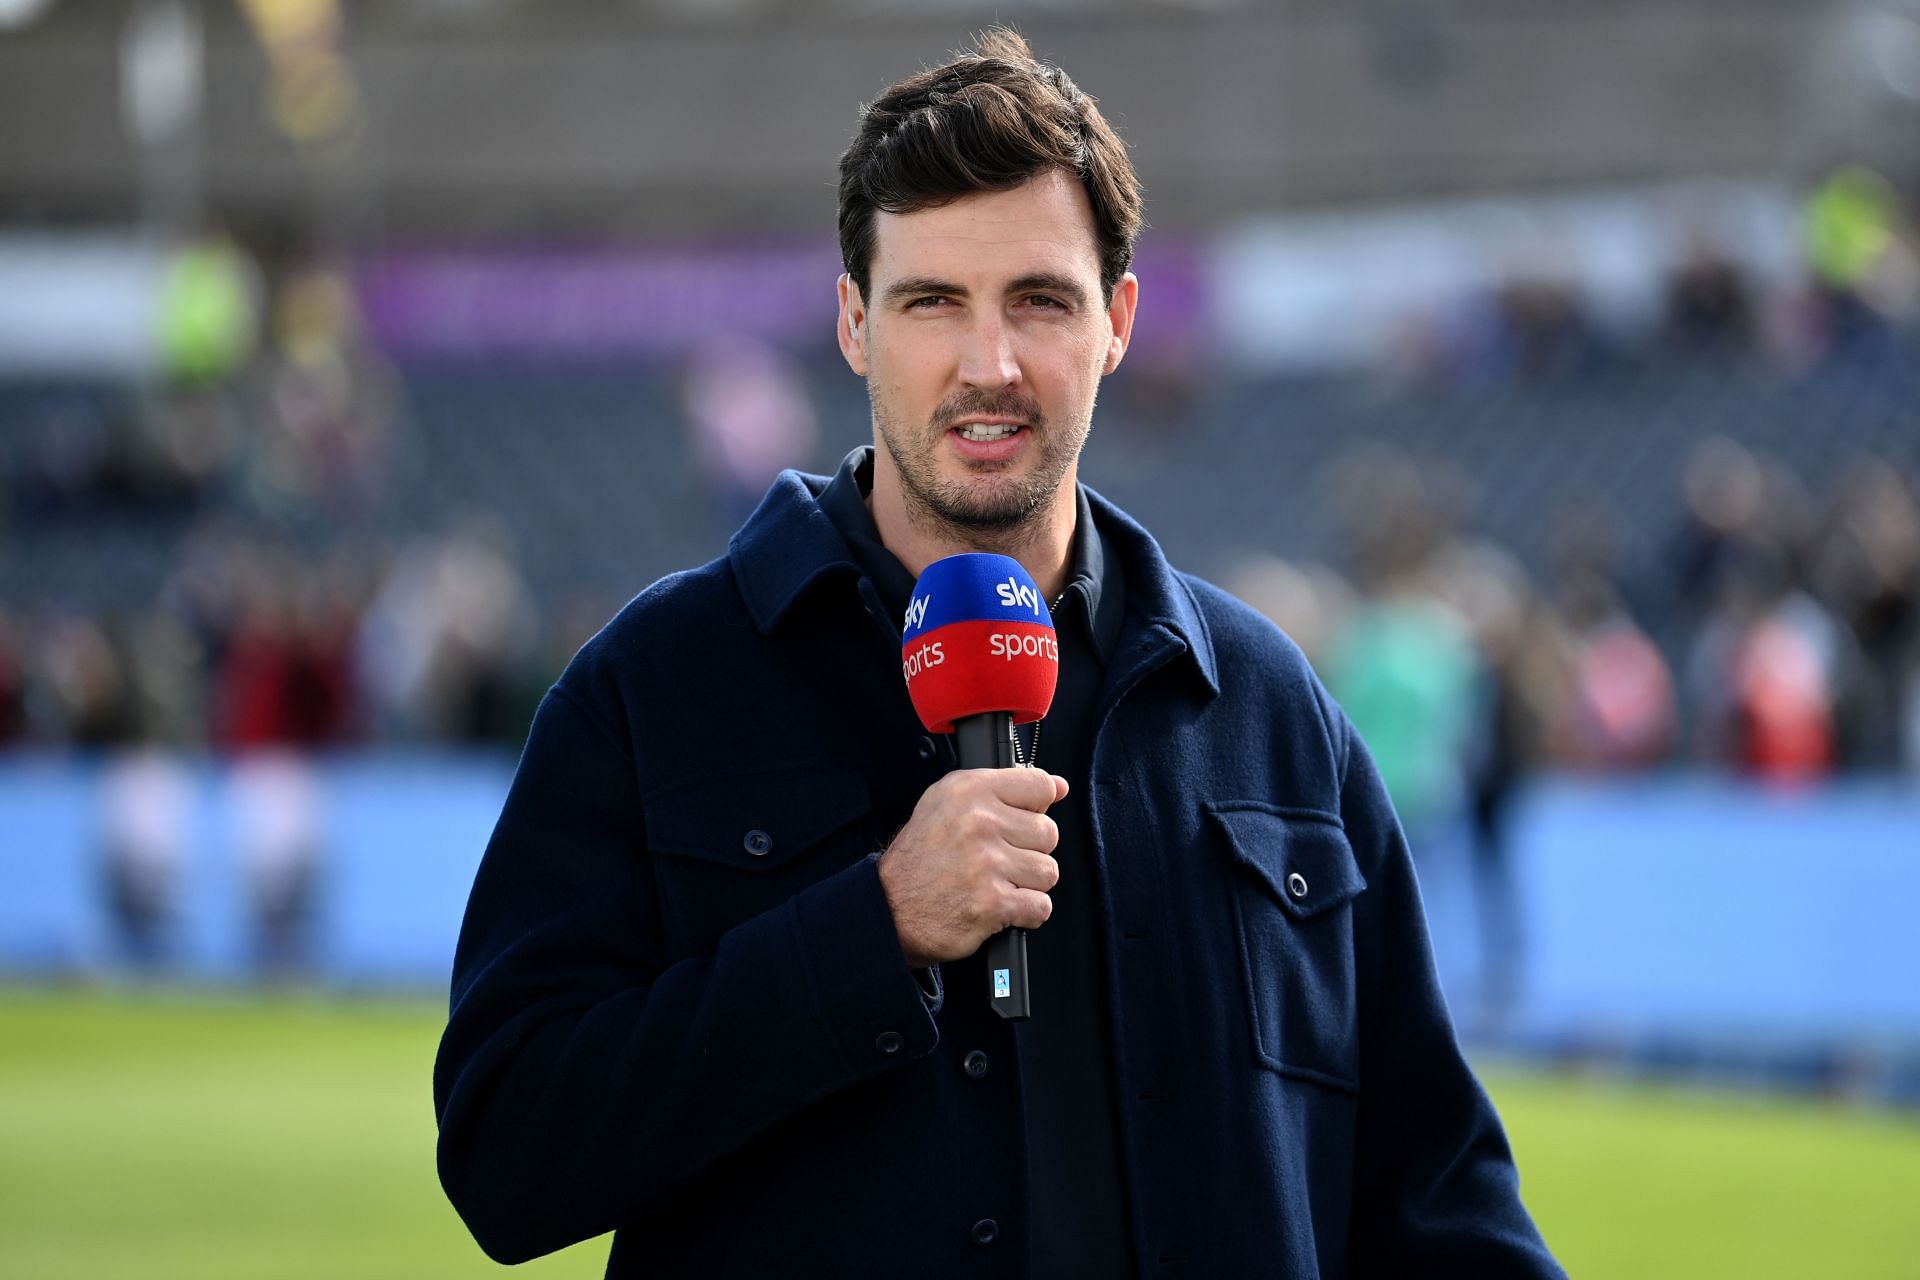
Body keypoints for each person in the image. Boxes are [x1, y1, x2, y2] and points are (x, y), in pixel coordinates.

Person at [435, 29, 1563, 1277]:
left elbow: (1436, 1195)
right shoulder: (656, 683)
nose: (990, 365)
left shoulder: (1264, 707)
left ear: (1119, 320)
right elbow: (506, 1148)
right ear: (857, 322)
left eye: (1040, 298)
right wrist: (870, 930)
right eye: (932, 302)